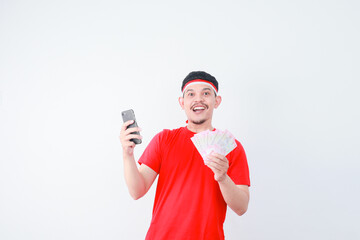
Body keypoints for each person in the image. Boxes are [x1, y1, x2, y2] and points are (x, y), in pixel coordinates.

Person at [119, 71, 250, 240]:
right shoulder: (164, 140)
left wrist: (223, 177)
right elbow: (137, 191)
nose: (198, 99)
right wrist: (127, 154)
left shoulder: (232, 147)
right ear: (182, 102)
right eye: (191, 94)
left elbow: (242, 207)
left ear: (216, 101)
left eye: (206, 93)